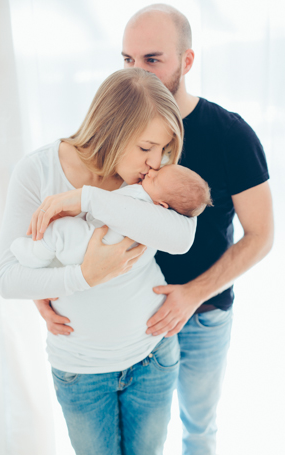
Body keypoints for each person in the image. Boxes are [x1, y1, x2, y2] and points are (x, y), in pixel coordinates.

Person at [34, 4, 274, 454]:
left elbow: (261, 235)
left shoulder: (232, 135)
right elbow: (73, 225)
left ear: (187, 61)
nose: (136, 72)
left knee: (198, 429)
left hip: (201, 314)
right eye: (127, 59)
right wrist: (46, 289)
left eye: (152, 59)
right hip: (125, 320)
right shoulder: (112, 135)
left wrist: (193, 294)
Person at [0, 68, 199, 455]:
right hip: (82, 372)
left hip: (151, 357)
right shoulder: (38, 171)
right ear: (111, 127)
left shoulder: (151, 181)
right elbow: (7, 278)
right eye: (145, 148)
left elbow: (182, 238)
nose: (156, 162)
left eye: (163, 149)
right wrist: (82, 276)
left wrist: (87, 199)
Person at [10, 164, 212, 269]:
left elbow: (183, 239)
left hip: (91, 244)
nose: (150, 172)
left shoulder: (144, 201)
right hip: (89, 236)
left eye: (156, 179)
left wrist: (86, 198)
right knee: (64, 230)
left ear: (162, 205)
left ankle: (35, 255)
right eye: (157, 171)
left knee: (62, 232)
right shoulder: (150, 190)